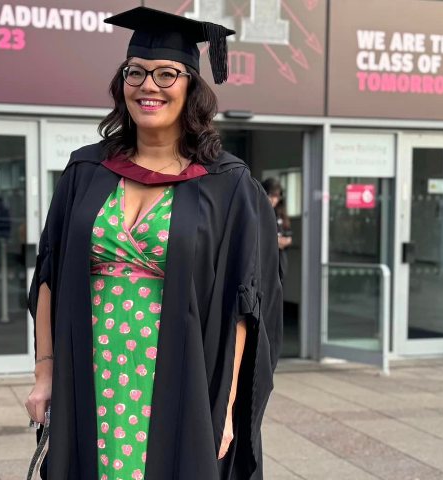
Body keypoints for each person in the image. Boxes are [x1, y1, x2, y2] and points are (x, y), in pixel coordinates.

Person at [25, 7, 283, 480]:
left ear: (191, 87)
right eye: (136, 72)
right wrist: (45, 375)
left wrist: (225, 407)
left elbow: (243, 305)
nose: (149, 85)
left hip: (179, 371)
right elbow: (50, 273)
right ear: (121, 84)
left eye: (167, 73)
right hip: (91, 365)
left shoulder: (227, 185)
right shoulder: (85, 172)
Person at [262, 178, 292, 277]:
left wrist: (286, 241)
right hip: (264, 263)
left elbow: (288, 234)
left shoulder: (280, 213)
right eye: (271, 195)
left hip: (279, 264)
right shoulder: (259, 212)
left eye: (276, 196)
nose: (274, 199)